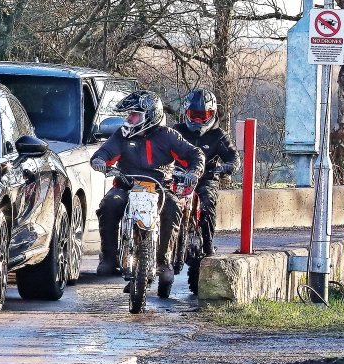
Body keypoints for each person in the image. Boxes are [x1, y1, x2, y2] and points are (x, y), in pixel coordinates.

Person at [89, 90, 205, 292]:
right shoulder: (121, 135)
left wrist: (194, 172)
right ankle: (109, 256)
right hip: (126, 185)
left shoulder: (168, 136)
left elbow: (194, 154)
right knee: (109, 203)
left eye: (135, 115)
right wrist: (99, 160)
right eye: (129, 115)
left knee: (173, 206)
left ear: (150, 116)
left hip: (160, 188)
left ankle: (163, 261)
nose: (129, 119)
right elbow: (105, 151)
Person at [172, 88, 240, 257]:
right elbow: (161, 151)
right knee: (164, 203)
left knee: (207, 203)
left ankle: (208, 246)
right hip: (178, 178)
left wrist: (227, 167)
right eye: (194, 114)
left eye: (203, 115)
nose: (197, 120)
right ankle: (156, 246)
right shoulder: (176, 131)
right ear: (186, 112)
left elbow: (234, 157)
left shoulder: (218, 135)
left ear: (212, 114)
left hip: (206, 179)